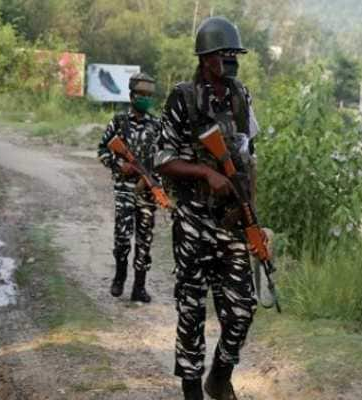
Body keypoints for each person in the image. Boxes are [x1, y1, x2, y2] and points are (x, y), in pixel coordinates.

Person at [155, 16, 260, 400]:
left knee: (243, 308)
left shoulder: (240, 95)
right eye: (223, 54)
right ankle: (191, 390)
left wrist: (252, 217)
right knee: (192, 310)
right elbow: (162, 159)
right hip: (194, 220)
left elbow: (249, 157)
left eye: (234, 53)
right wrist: (204, 172)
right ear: (205, 58)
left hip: (231, 221)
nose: (230, 60)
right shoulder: (183, 99)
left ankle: (219, 376)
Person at [97, 72, 161, 303]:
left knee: (144, 240)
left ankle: (139, 287)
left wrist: (153, 182)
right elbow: (102, 149)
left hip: (147, 192)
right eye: (141, 95)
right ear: (132, 96)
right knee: (123, 238)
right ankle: (119, 278)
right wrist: (119, 165)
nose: (145, 99)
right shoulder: (119, 122)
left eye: (149, 95)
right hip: (124, 189)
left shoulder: (157, 124)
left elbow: (163, 158)